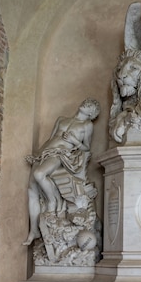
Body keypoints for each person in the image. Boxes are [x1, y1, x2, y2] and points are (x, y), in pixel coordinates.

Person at [23, 98, 101, 246]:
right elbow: (50, 139)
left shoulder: (86, 124)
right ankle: (33, 230)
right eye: (86, 102)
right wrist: (37, 155)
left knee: (39, 174)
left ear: (92, 113)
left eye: (90, 105)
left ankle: (53, 201)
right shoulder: (62, 119)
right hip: (46, 153)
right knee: (31, 190)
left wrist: (74, 141)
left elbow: (86, 148)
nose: (85, 103)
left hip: (60, 154)